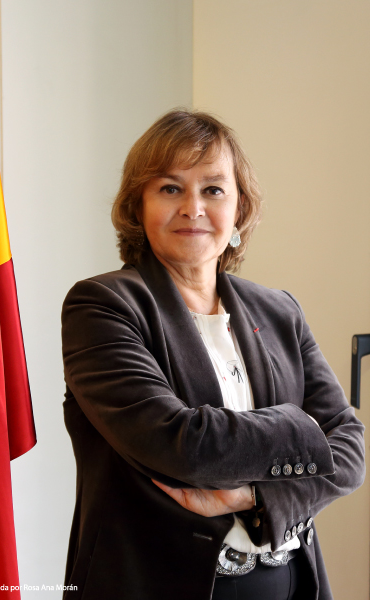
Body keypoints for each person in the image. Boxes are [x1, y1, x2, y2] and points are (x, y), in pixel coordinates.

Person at [60, 109, 365, 600]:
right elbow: (184, 446)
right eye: (170, 188)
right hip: (156, 586)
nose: (193, 208)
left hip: (288, 581)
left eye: (214, 190)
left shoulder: (280, 310)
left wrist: (254, 496)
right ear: (138, 205)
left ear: (239, 208)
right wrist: (304, 428)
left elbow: (349, 449)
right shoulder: (102, 305)